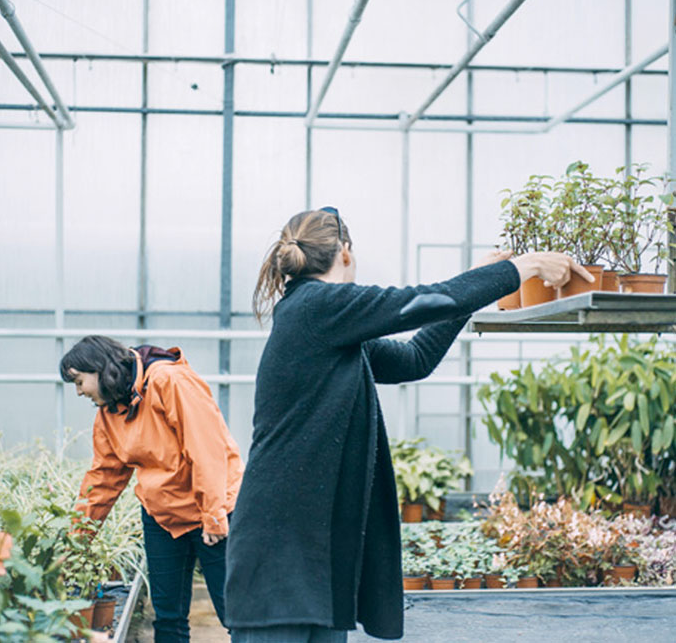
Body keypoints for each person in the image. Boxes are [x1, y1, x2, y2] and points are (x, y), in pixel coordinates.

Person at [224, 207, 593, 643]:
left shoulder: (330, 327)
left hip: (311, 560)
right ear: (346, 252)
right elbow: (421, 302)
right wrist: (524, 267)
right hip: (278, 561)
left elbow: (415, 359)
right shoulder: (317, 307)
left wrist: (474, 287)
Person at [60, 336, 244, 642]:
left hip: (213, 509)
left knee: (236, 614)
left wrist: (213, 514)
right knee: (168, 616)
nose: (79, 392)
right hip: (162, 516)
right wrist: (76, 540)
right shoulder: (110, 411)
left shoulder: (169, 381)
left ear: (98, 369)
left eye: (79, 382)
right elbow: (104, 476)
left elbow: (206, 448)